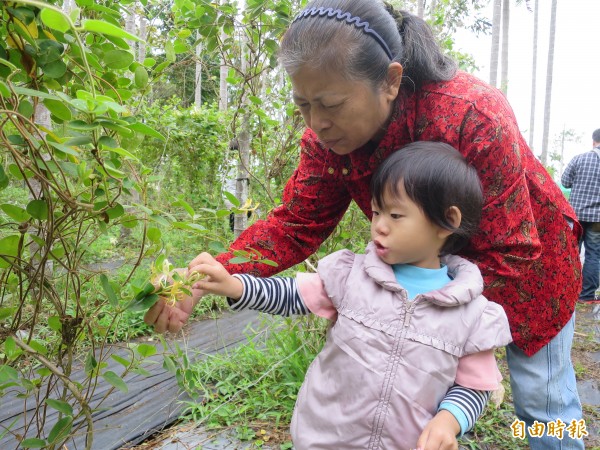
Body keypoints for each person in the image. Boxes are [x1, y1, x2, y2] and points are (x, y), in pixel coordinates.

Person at [145, 2, 585, 449]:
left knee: (542, 406)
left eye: (331, 105)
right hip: (421, 279)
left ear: (391, 81)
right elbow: (296, 223)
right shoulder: (325, 141)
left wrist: (433, 322)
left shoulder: (471, 115)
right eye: (303, 106)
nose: (317, 124)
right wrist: (210, 274)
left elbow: (513, 250)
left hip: (530, 276)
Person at [190, 142, 512, 450]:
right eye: (376, 212)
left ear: (447, 222)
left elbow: (473, 386)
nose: (380, 227)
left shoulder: (472, 314)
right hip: (324, 440)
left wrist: (448, 421)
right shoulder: (352, 276)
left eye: (395, 216)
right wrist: (237, 286)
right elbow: (292, 295)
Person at [561, 128, 600, 304]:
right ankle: (586, 296)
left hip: (575, 215)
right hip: (597, 218)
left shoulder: (579, 158)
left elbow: (565, 181)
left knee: (571, 253)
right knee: (593, 255)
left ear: (594, 141)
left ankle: (567, 292)